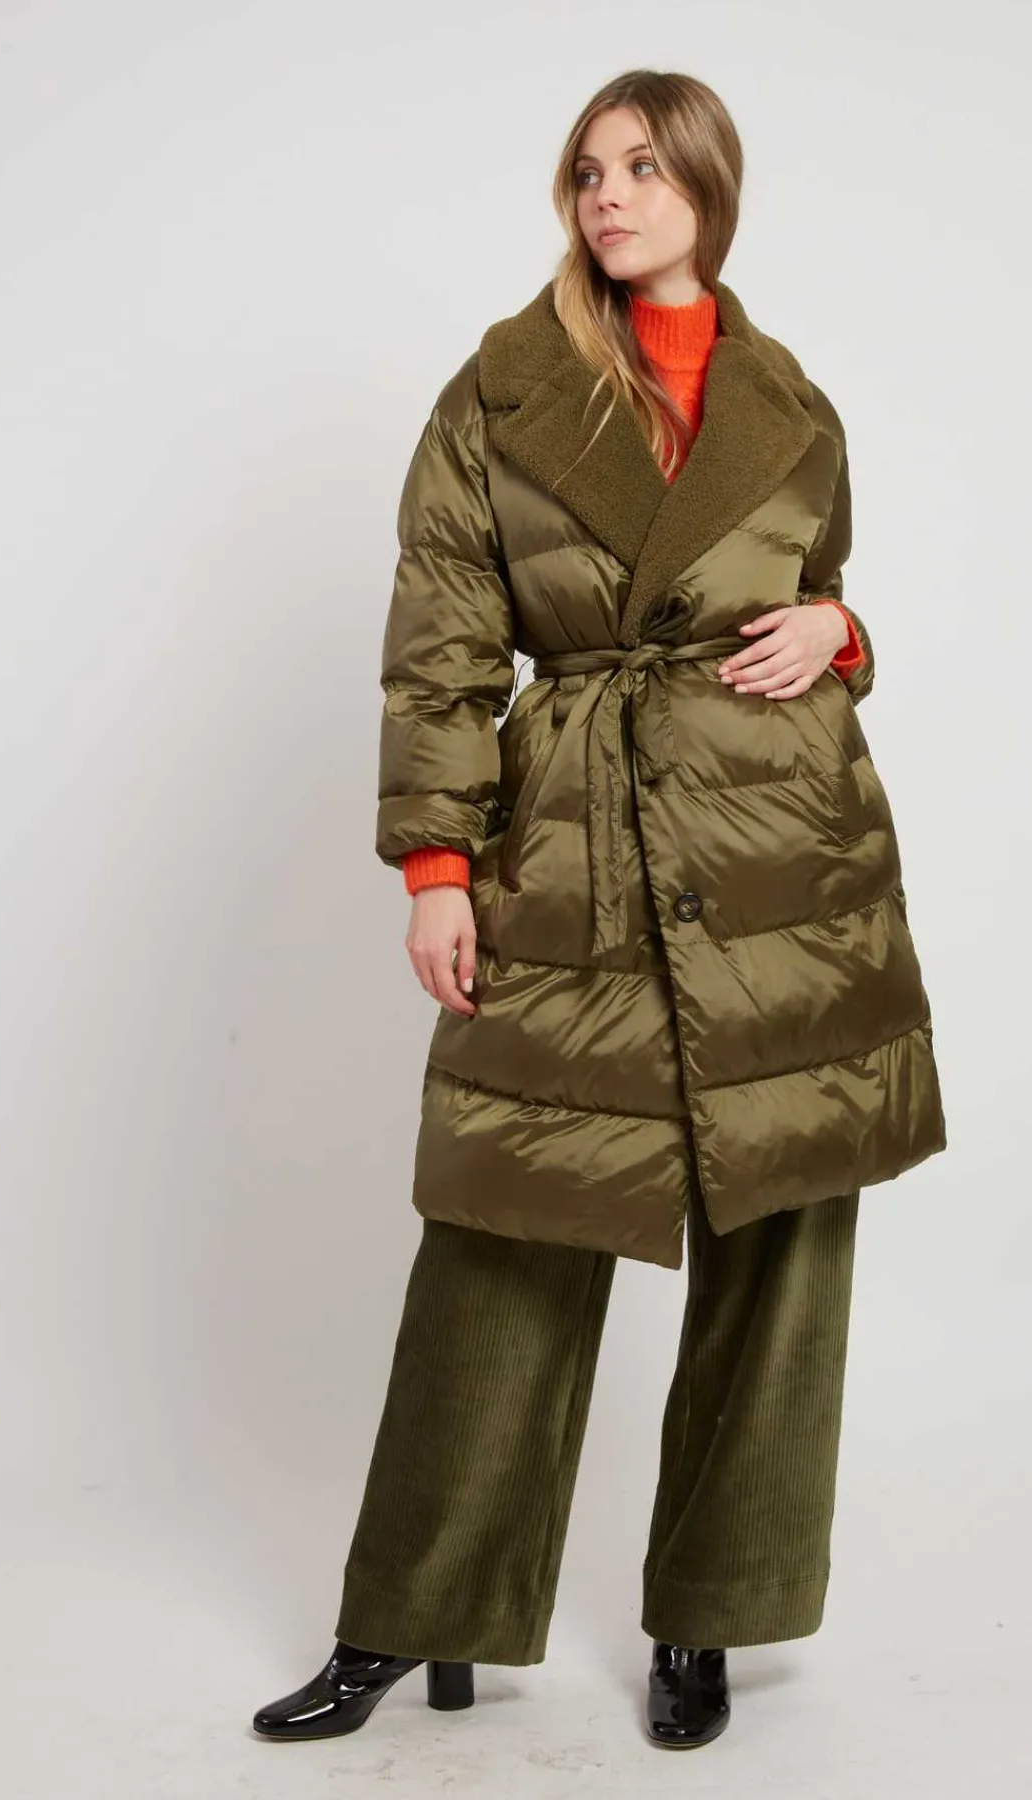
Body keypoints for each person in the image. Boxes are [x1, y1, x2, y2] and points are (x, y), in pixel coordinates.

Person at [251, 67, 947, 1753]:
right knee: (509, 1226)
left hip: (786, 860)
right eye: (587, 172)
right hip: (572, 848)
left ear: (708, 187)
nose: (609, 197)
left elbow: (820, 589)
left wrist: (845, 636)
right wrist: (437, 867)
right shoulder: (505, 391)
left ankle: (710, 1615)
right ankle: (409, 1616)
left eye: (643, 167)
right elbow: (440, 646)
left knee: (779, 1238)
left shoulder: (792, 401)